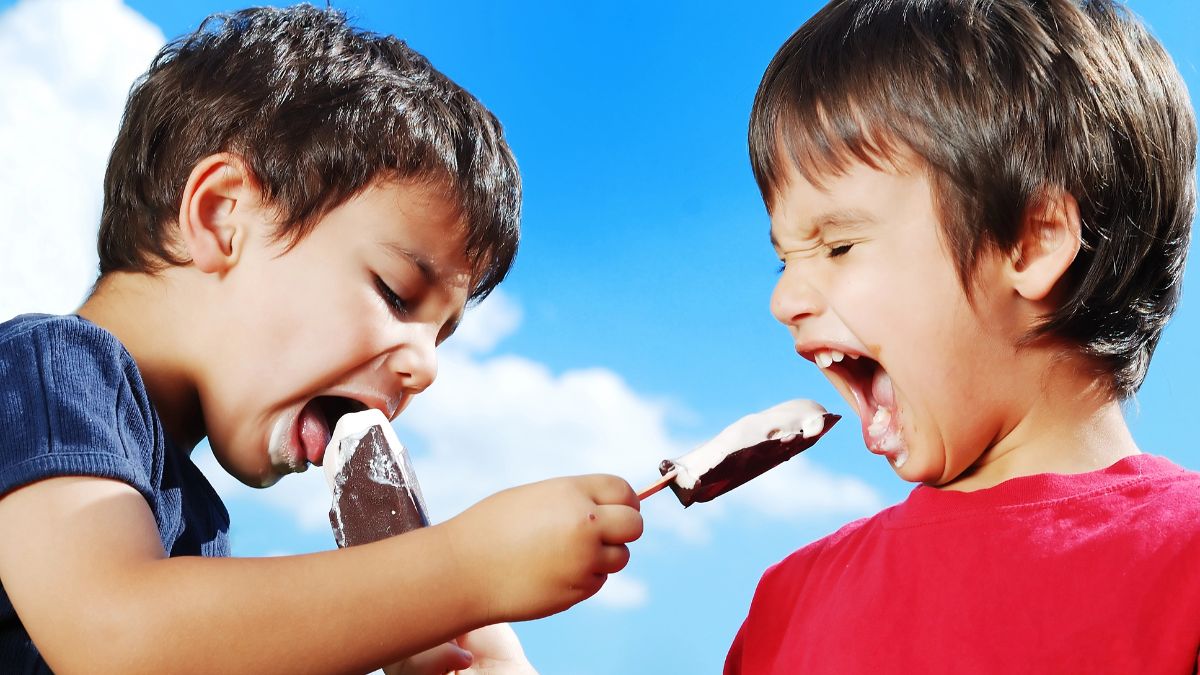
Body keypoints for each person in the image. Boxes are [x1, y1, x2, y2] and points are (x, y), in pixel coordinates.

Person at [0, 5, 642, 674]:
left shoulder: (197, 522)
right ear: (223, 218)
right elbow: (118, 638)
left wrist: (407, 626)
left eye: (442, 338)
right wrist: (457, 571)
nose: (424, 366)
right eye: (396, 293)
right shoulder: (50, 370)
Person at [726, 0, 1200, 672]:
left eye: (838, 245)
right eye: (783, 258)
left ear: (1032, 242)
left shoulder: (1187, 564)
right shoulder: (787, 603)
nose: (784, 299)